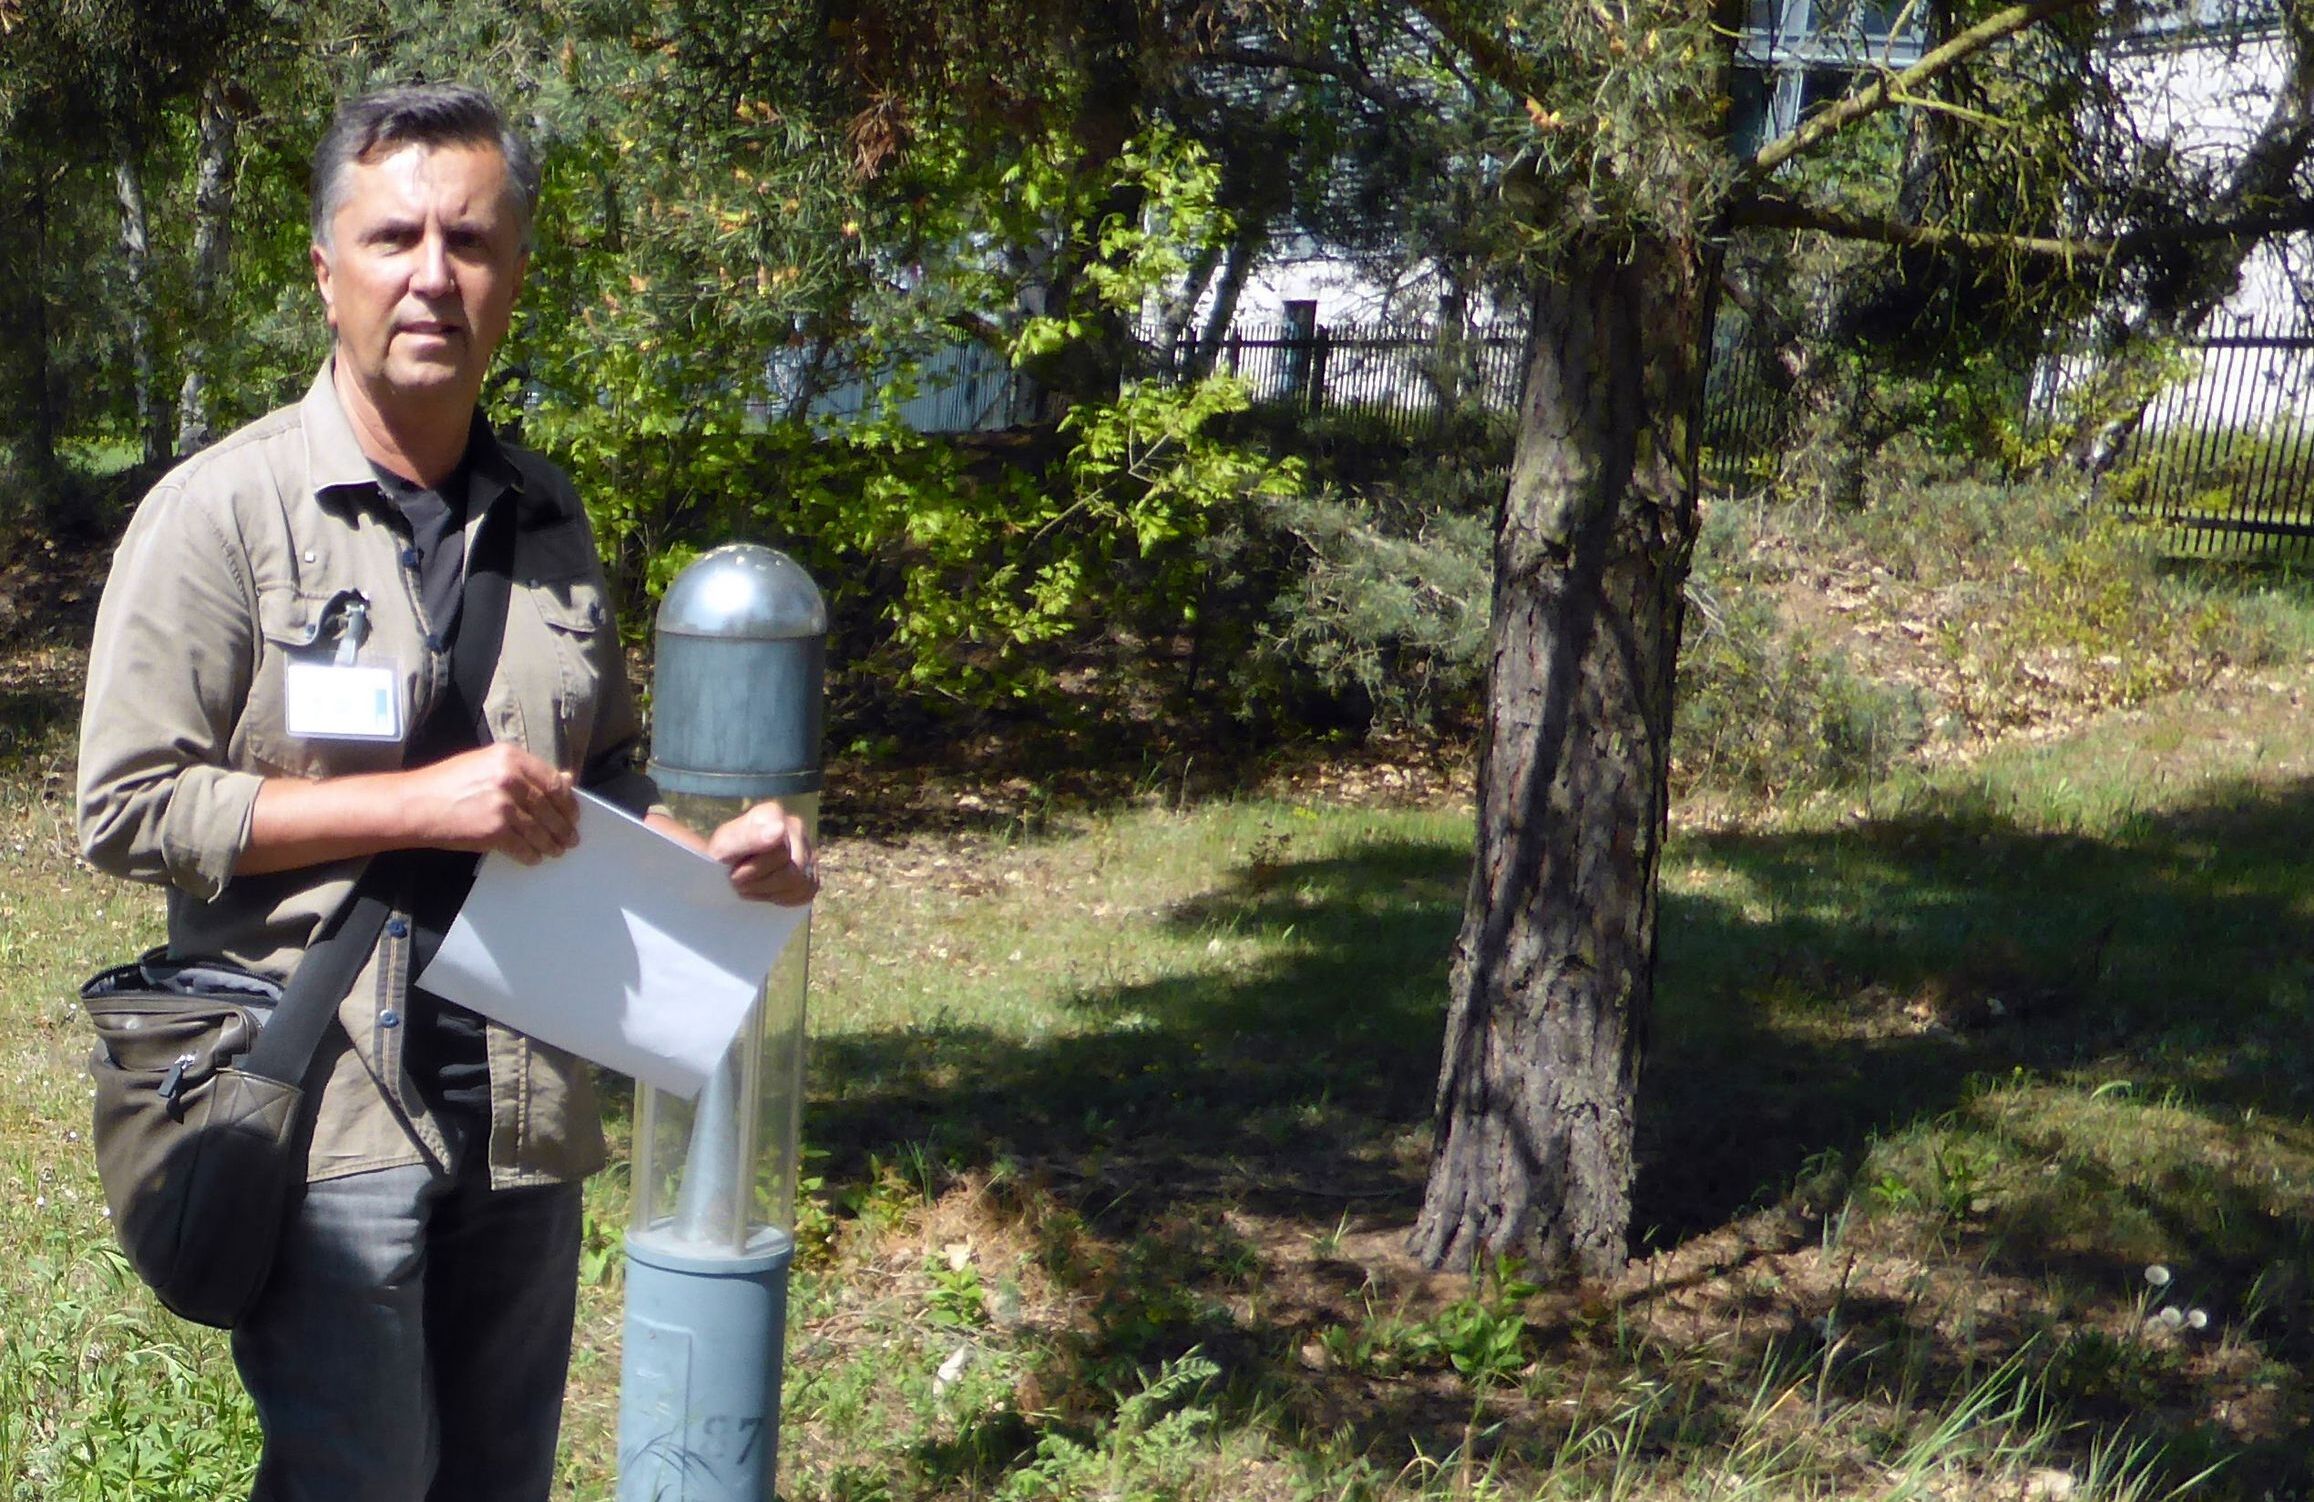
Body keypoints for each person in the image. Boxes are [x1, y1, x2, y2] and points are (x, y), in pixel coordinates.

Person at [76, 82, 815, 1502]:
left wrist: (713, 857)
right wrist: (418, 806)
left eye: (469, 240)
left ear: (516, 270)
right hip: (324, 1100)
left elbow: (593, 777)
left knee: (496, 1480)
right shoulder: (225, 512)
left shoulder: (547, 517)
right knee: (361, 1475)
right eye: (393, 235)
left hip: (528, 1105)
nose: (432, 274)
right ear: (325, 268)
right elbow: (125, 804)